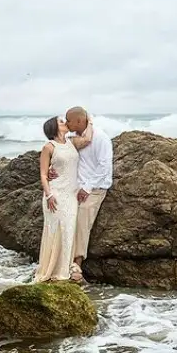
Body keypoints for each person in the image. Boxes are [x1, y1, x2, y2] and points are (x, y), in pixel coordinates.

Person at [49, 106, 113, 282]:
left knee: (82, 218)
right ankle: (58, 261)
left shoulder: (100, 138)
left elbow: (104, 166)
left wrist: (87, 188)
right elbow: (57, 155)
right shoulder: (73, 139)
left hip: (95, 188)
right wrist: (49, 169)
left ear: (78, 121)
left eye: (68, 120)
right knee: (63, 215)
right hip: (74, 186)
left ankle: (76, 264)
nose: (66, 123)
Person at [32, 115, 94, 283]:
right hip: (56, 194)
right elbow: (44, 175)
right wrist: (49, 194)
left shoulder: (72, 141)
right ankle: (51, 269)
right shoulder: (49, 147)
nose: (65, 123)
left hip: (71, 194)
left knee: (69, 230)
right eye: (61, 122)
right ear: (54, 128)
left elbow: (88, 138)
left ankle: (64, 267)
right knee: (56, 230)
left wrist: (88, 119)